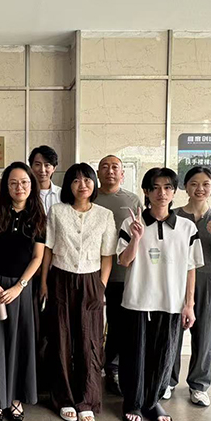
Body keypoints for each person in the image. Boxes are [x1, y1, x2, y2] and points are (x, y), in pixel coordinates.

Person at [116, 167, 203, 421]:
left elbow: (191, 268)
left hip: (171, 302)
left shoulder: (187, 227)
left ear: (174, 192)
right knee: (134, 355)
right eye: (155, 187)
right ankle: (132, 402)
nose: (161, 193)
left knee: (163, 355)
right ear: (146, 191)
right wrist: (136, 238)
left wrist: (189, 305)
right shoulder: (132, 224)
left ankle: (152, 402)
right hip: (137, 300)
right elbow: (124, 261)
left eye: (167, 187)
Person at [41, 162, 117, 421]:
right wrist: (43, 282)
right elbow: (48, 249)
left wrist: (101, 286)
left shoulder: (105, 215)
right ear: (69, 186)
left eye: (87, 179)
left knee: (90, 341)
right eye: (75, 180)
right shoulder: (57, 211)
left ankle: (87, 400)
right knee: (61, 339)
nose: (82, 185)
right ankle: (63, 398)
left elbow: (107, 255)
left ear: (94, 183)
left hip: (91, 280)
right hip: (60, 279)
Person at [0, 162, 46, 421]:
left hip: (20, 289)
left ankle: (15, 396)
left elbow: (37, 257)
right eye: (13, 182)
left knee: (19, 343)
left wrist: (19, 287)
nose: (19, 187)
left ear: (31, 185)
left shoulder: (38, 215)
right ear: (6, 185)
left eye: (24, 182)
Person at [166, 166, 211, 407]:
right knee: (173, 333)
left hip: (209, 281)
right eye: (194, 183)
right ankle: (168, 381)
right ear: (185, 187)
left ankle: (199, 385)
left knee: (204, 336)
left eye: (205, 184)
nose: (200, 188)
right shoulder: (173, 215)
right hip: (176, 280)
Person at [95, 155, 142, 396]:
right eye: (105, 167)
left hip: (121, 274)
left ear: (122, 174)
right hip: (91, 271)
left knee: (117, 324)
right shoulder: (90, 196)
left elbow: (139, 235)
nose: (110, 171)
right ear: (98, 173)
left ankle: (112, 367)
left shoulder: (132, 200)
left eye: (115, 167)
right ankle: (91, 364)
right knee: (92, 322)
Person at [29, 145, 61, 215]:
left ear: (54, 168)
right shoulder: (26, 194)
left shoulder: (61, 194)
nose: (42, 170)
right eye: (37, 164)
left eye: (47, 165)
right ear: (31, 167)